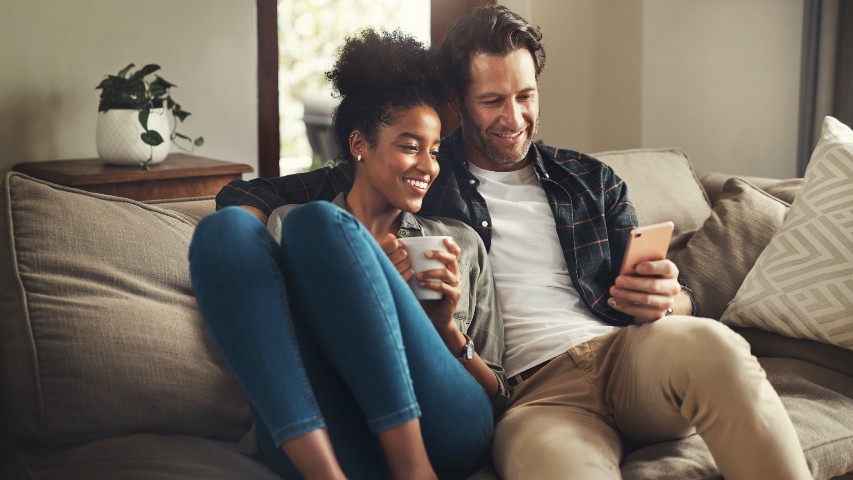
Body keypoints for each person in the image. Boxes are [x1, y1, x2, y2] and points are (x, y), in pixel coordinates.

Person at [217, 7, 811, 480]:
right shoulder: (418, 171)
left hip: (627, 355)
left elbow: (678, 298)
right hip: (531, 399)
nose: (514, 117)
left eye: (524, 96)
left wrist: (669, 299)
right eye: (493, 101)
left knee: (716, 346)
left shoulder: (589, 179)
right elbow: (250, 198)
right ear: (456, 104)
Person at [189, 29, 508, 480]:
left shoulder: (460, 242)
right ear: (360, 145)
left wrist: (443, 329)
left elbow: (500, 395)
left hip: (446, 426)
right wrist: (365, 280)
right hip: (337, 430)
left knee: (318, 224)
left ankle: (414, 470)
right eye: (409, 146)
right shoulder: (287, 224)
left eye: (434, 151)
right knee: (223, 231)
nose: (428, 165)